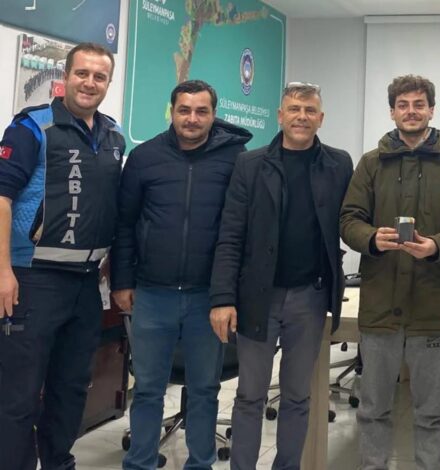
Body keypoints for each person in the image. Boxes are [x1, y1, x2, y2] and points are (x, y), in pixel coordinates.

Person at [340, 74, 440, 470]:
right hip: (380, 305)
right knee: (373, 408)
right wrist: (372, 238)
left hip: (431, 305)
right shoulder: (371, 163)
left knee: (432, 412)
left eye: (419, 104)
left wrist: (436, 245)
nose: (411, 111)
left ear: (431, 110)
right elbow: (349, 219)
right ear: (392, 112)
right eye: (402, 105)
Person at [209, 82, 353, 470]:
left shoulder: (339, 164)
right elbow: (230, 234)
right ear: (280, 115)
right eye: (294, 109)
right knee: (250, 395)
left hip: (310, 297)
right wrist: (223, 298)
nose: (301, 117)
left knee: (297, 396)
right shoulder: (250, 164)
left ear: (321, 118)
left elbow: (353, 220)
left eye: (309, 110)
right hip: (259, 296)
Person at [110, 80, 252, 470]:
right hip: (152, 294)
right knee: (148, 389)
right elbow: (125, 223)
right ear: (171, 111)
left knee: (204, 389)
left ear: (213, 115)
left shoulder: (235, 159)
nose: (192, 118)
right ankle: (139, 462)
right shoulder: (145, 157)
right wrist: (122, 281)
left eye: (201, 111)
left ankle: (200, 463)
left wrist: (230, 294)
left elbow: (240, 230)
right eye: (184, 110)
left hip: (208, 297)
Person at [0, 42, 125, 470]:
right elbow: (2, 199)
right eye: (82, 73)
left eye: (99, 76)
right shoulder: (32, 127)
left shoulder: (113, 135)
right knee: (19, 394)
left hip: (86, 284)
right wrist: (3, 271)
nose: (89, 82)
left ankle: (57, 462)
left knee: (70, 390)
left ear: (108, 82)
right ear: (65, 76)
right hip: (32, 280)